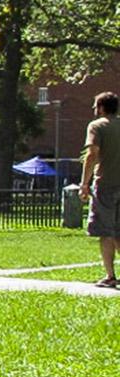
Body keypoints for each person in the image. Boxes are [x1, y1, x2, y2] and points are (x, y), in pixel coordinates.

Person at [80, 91, 120, 287]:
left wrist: (84, 183)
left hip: (105, 184)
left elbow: (92, 155)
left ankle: (110, 275)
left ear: (102, 107)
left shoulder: (96, 126)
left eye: (96, 106)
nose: (94, 110)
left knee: (106, 231)